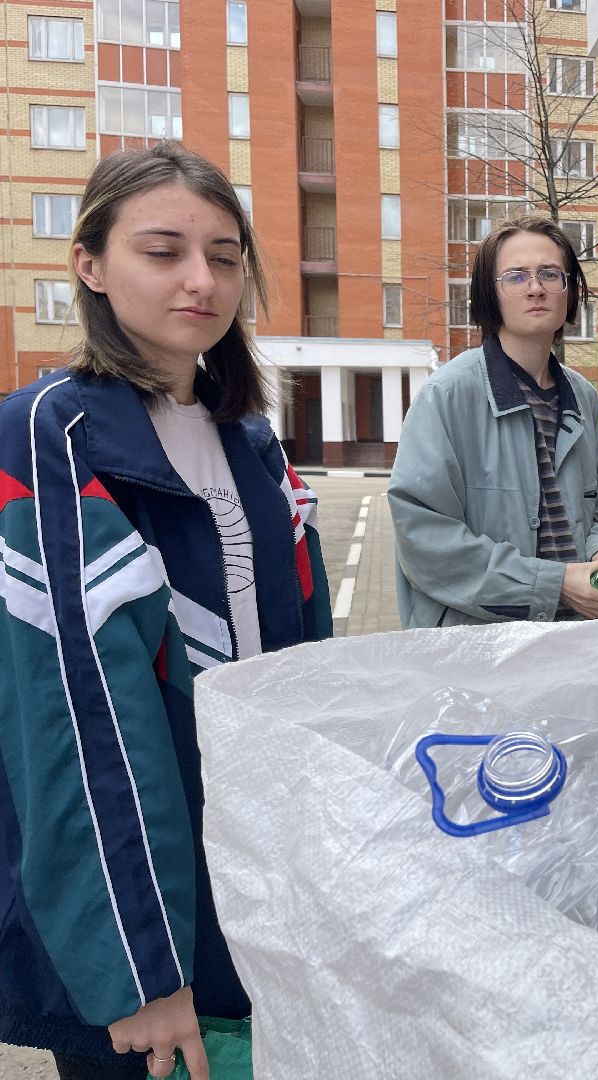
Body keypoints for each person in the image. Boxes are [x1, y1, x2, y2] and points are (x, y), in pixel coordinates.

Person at [0, 142, 332, 1079]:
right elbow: (77, 719)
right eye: (163, 251)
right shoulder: (49, 436)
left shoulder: (250, 441)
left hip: (248, 879)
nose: (202, 280)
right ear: (90, 264)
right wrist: (139, 966)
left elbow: (301, 663)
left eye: (225, 257)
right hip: (134, 902)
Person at [389, 215, 598, 627]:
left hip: (575, 636)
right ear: (490, 294)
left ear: (569, 291)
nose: (536, 288)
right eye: (516, 276)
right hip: (477, 645)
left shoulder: (584, 399)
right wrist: (552, 584)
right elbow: (424, 538)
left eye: (550, 274)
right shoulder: (447, 395)